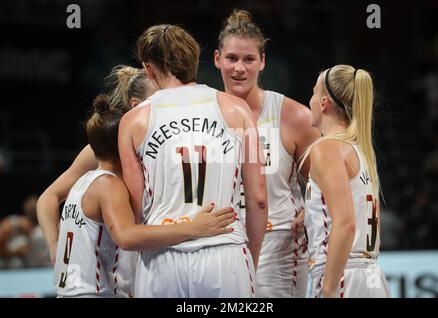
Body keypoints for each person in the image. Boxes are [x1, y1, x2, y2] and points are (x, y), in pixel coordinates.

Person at [119, 24, 268, 298]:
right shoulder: (237, 110)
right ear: (194, 60)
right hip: (225, 253)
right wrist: (249, 256)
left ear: (148, 68)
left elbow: (134, 211)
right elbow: (258, 198)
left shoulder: (133, 120)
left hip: (162, 259)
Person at [52, 94, 235, 298]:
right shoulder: (108, 185)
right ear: (122, 145)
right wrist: (193, 228)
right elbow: (126, 237)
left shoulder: (82, 183)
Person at [214, 9, 320, 297]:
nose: (239, 68)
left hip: (279, 244)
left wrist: (309, 211)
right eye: (232, 58)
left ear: (262, 62)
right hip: (220, 242)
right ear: (217, 59)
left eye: (249, 59)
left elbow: (326, 181)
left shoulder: (294, 116)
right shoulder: (203, 114)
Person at [37, 65, 154, 263]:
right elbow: (48, 197)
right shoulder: (104, 150)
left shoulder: (172, 145)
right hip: (118, 266)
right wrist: (54, 245)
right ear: (136, 105)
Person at [300, 64, 391, 298]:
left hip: (342, 276)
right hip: (371, 276)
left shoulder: (326, 148)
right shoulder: (359, 151)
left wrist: (329, 288)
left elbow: (346, 223)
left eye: (313, 92)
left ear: (323, 103)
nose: (309, 99)